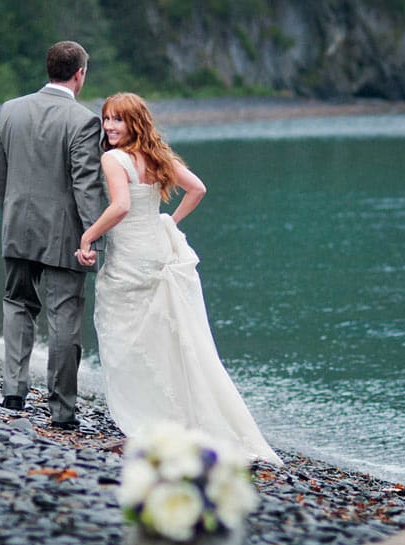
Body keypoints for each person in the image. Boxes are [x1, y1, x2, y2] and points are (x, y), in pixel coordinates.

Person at [75, 92, 281, 464]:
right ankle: (176, 417)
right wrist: (169, 221)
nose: (108, 127)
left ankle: (147, 418)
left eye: (117, 120)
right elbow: (197, 188)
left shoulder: (113, 158)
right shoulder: (157, 155)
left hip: (131, 257)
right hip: (155, 249)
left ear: (133, 122)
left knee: (124, 335)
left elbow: (120, 206)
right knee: (163, 335)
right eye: (106, 119)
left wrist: (89, 235)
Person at [0, 40, 106, 429]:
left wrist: (10, 214)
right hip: (64, 237)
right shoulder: (83, 120)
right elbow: (86, 186)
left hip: (16, 226)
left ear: (49, 68)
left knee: (17, 303)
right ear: (80, 74)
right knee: (64, 318)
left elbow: (0, 173)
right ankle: (61, 410)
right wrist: (93, 239)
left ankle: (13, 392)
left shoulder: (10, 110)